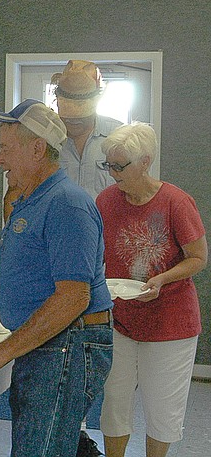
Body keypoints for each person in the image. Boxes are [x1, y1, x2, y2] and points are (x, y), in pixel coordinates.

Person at [0, 99, 113, 456]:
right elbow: (16, 275)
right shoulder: (33, 201)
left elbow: (74, 297)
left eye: (5, 149)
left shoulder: (66, 204)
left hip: (67, 343)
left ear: (37, 148)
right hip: (52, 342)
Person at [96, 123, 207, 457]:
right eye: (109, 165)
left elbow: (198, 258)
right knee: (114, 402)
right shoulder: (106, 200)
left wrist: (162, 279)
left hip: (171, 322)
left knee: (162, 408)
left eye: (120, 166)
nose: (113, 173)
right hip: (120, 318)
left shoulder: (176, 202)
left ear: (144, 162)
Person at [3, 60, 123, 221]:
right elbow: (15, 195)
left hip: (107, 237)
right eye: (69, 115)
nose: (74, 122)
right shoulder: (41, 140)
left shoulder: (119, 136)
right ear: (57, 100)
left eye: (82, 116)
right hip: (53, 236)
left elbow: (136, 193)